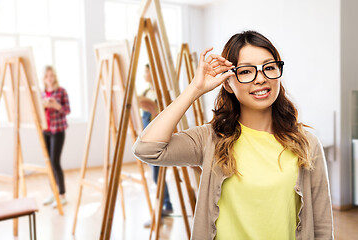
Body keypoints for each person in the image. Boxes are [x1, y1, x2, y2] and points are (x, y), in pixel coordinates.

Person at [132, 31, 333, 239]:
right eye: (246, 71)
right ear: (227, 83)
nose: (261, 79)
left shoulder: (307, 143)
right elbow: (147, 149)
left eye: (269, 67)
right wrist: (195, 88)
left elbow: (322, 226)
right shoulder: (211, 139)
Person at [138, 64, 173, 225]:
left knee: (157, 175)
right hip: (146, 138)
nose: (145, 74)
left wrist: (154, 111)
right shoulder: (145, 92)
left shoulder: (161, 94)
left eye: (147, 71)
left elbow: (166, 118)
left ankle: (164, 207)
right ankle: (166, 205)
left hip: (157, 140)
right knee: (156, 175)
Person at [41, 66, 70, 208]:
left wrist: (56, 105)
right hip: (45, 130)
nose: (49, 78)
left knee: (55, 162)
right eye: (47, 76)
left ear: (55, 77)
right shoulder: (41, 94)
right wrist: (44, 105)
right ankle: (53, 192)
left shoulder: (61, 91)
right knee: (48, 163)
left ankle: (62, 194)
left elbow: (67, 110)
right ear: (44, 78)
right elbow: (38, 112)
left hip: (58, 130)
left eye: (52, 75)